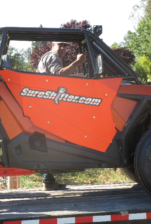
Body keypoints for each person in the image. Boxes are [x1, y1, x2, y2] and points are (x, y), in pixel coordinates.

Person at [37, 42, 86, 190]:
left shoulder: (46, 57)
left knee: (49, 142)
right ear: (53, 45)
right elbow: (59, 74)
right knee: (54, 140)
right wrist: (78, 62)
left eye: (65, 47)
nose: (63, 49)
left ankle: (49, 180)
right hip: (48, 105)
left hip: (43, 103)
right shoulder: (53, 57)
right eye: (60, 45)